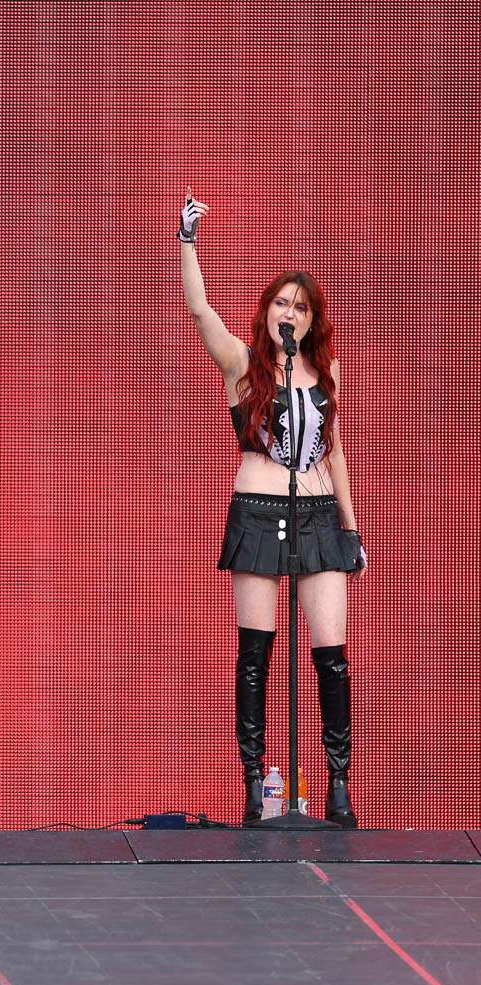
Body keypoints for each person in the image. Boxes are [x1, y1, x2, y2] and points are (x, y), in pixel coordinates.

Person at [179, 191, 365, 827]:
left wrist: (350, 525)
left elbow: (335, 450)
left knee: (330, 653)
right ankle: (258, 784)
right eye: (282, 302)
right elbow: (200, 311)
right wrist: (187, 242)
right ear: (267, 312)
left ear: (313, 318)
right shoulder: (241, 362)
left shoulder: (324, 368)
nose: (291, 312)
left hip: (316, 516)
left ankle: (338, 785)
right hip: (257, 509)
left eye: (301, 305)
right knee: (254, 654)